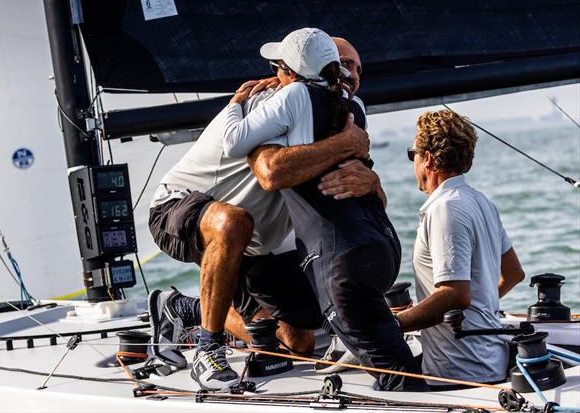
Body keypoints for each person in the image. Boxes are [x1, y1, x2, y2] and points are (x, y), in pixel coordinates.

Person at [147, 55, 374, 390]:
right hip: (181, 209)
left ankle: (184, 309)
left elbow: (364, 199)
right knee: (233, 222)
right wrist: (344, 144)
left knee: (297, 344)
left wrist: (370, 182)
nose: (348, 74)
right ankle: (208, 349)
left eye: (356, 67)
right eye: (339, 65)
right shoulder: (269, 104)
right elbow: (272, 171)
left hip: (256, 242)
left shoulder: (342, 119)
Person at [222, 27, 426, 391]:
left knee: (400, 381)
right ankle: (347, 339)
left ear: (292, 70)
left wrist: (239, 104)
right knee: (384, 354)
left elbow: (234, 142)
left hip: (342, 261)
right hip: (383, 247)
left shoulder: (296, 95)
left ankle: (355, 340)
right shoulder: (356, 107)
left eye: (280, 66)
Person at [395, 110, 525, 386]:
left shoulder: (446, 207)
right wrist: (482, 305)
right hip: (489, 357)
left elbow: (456, 294)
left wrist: (395, 324)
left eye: (412, 154)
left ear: (427, 158)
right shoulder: (480, 201)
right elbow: (514, 273)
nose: (413, 163)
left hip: (459, 370)